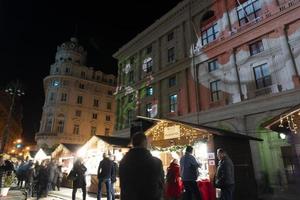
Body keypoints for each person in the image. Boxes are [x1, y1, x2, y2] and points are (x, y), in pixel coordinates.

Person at [119, 133, 164, 200]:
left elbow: (123, 185)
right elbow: (161, 185)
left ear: (133, 143)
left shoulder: (123, 162)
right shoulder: (156, 162)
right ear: (145, 143)